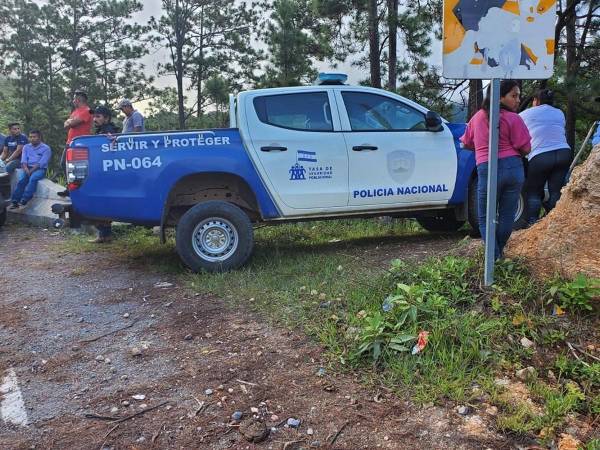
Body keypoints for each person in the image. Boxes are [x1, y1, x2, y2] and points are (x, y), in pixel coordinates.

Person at [460, 80, 531, 260]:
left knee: (485, 216)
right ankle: (498, 254)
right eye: (513, 95)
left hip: (486, 167)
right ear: (499, 96)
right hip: (513, 168)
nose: (517, 100)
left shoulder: (477, 118)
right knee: (507, 214)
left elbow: (466, 143)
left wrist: (482, 148)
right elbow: (526, 149)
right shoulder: (514, 118)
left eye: (518, 96)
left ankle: (494, 257)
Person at [519, 89, 571, 225]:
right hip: (563, 153)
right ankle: (554, 222)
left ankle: (532, 223)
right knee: (556, 191)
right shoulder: (559, 113)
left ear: (536, 100)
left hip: (540, 155)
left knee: (534, 191)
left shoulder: (525, 114)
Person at [90, 105, 121, 243]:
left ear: (107, 118)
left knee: (101, 203)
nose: (94, 119)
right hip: (103, 171)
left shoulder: (108, 130)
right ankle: (104, 235)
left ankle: (105, 234)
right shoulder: (101, 130)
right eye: (94, 116)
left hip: (107, 173)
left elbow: (112, 142)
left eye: (98, 116)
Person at [58, 90, 92, 197]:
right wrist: (69, 122)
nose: (73, 101)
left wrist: (70, 121)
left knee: (77, 167)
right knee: (64, 164)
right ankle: (71, 187)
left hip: (79, 143)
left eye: (74, 99)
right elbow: (66, 125)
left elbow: (72, 123)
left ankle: (77, 188)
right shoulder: (75, 111)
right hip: (70, 142)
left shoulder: (87, 111)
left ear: (78, 99)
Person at [9, 130, 51, 208]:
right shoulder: (26, 147)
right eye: (30, 137)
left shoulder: (46, 148)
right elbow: (24, 160)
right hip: (27, 167)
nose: (32, 139)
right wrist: (26, 169)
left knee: (33, 178)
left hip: (40, 169)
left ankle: (25, 199)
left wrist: (31, 171)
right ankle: (15, 201)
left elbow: (42, 162)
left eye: (34, 137)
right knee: (22, 180)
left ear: (39, 137)